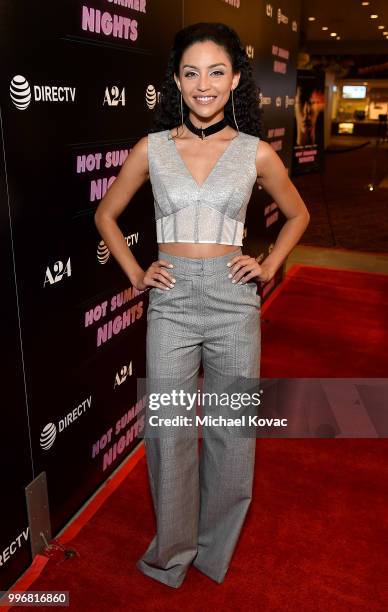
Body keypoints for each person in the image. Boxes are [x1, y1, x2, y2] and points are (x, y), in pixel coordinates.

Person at [95, 22, 310, 589]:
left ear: (236, 79)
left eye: (217, 71)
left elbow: (298, 214)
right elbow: (106, 216)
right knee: (168, 429)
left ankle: (215, 551)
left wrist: (266, 266)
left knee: (230, 429)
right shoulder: (154, 148)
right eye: (191, 72)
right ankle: (173, 553)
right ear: (176, 80)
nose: (203, 83)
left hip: (232, 297)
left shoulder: (254, 152)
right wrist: (138, 273)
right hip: (170, 299)